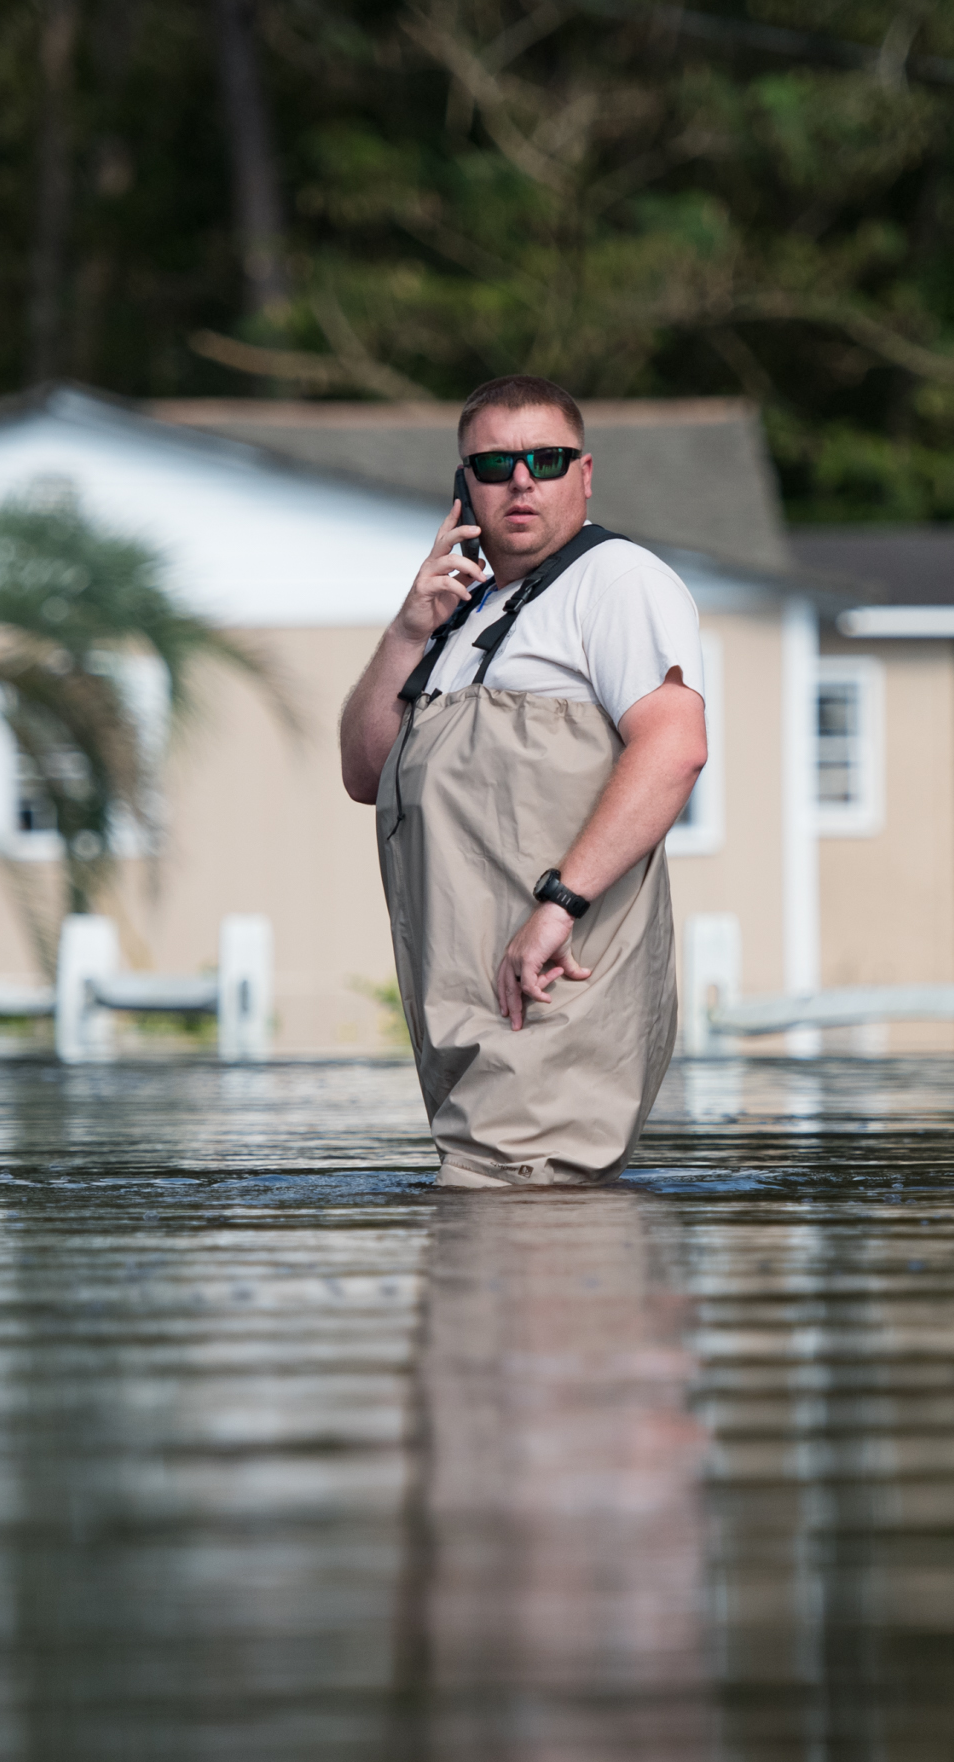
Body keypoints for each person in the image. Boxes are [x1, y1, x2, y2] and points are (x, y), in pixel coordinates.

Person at [341, 376, 709, 1188]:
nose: (521, 480)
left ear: (585, 473)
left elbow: (674, 748)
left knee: (525, 1222)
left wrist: (559, 905)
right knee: (492, 1271)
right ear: (462, 483)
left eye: (545, 459)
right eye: (495, 462)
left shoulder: (617, 581)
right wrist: (409, 630)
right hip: (466, 1012)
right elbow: (366, 772)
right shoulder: (458, 617)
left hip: (553, 987)